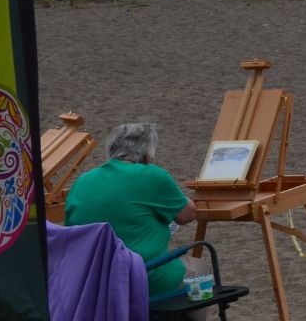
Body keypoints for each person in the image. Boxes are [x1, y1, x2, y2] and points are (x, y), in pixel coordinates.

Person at [63, 123, 208, 305]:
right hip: (141, 276)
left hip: (93, 281)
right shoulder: (152, 175)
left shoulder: (82, 181)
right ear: (147, 155)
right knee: (200, 269)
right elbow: (188, 214)